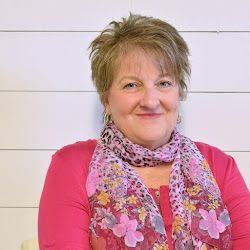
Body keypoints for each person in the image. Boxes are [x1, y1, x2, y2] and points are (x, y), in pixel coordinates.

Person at [38, 13, 250, 249]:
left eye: (163, 83)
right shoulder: (73, 166)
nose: (150, 101)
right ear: (106, 99)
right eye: (131, 85)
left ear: (178, 92)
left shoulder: (218, 165)